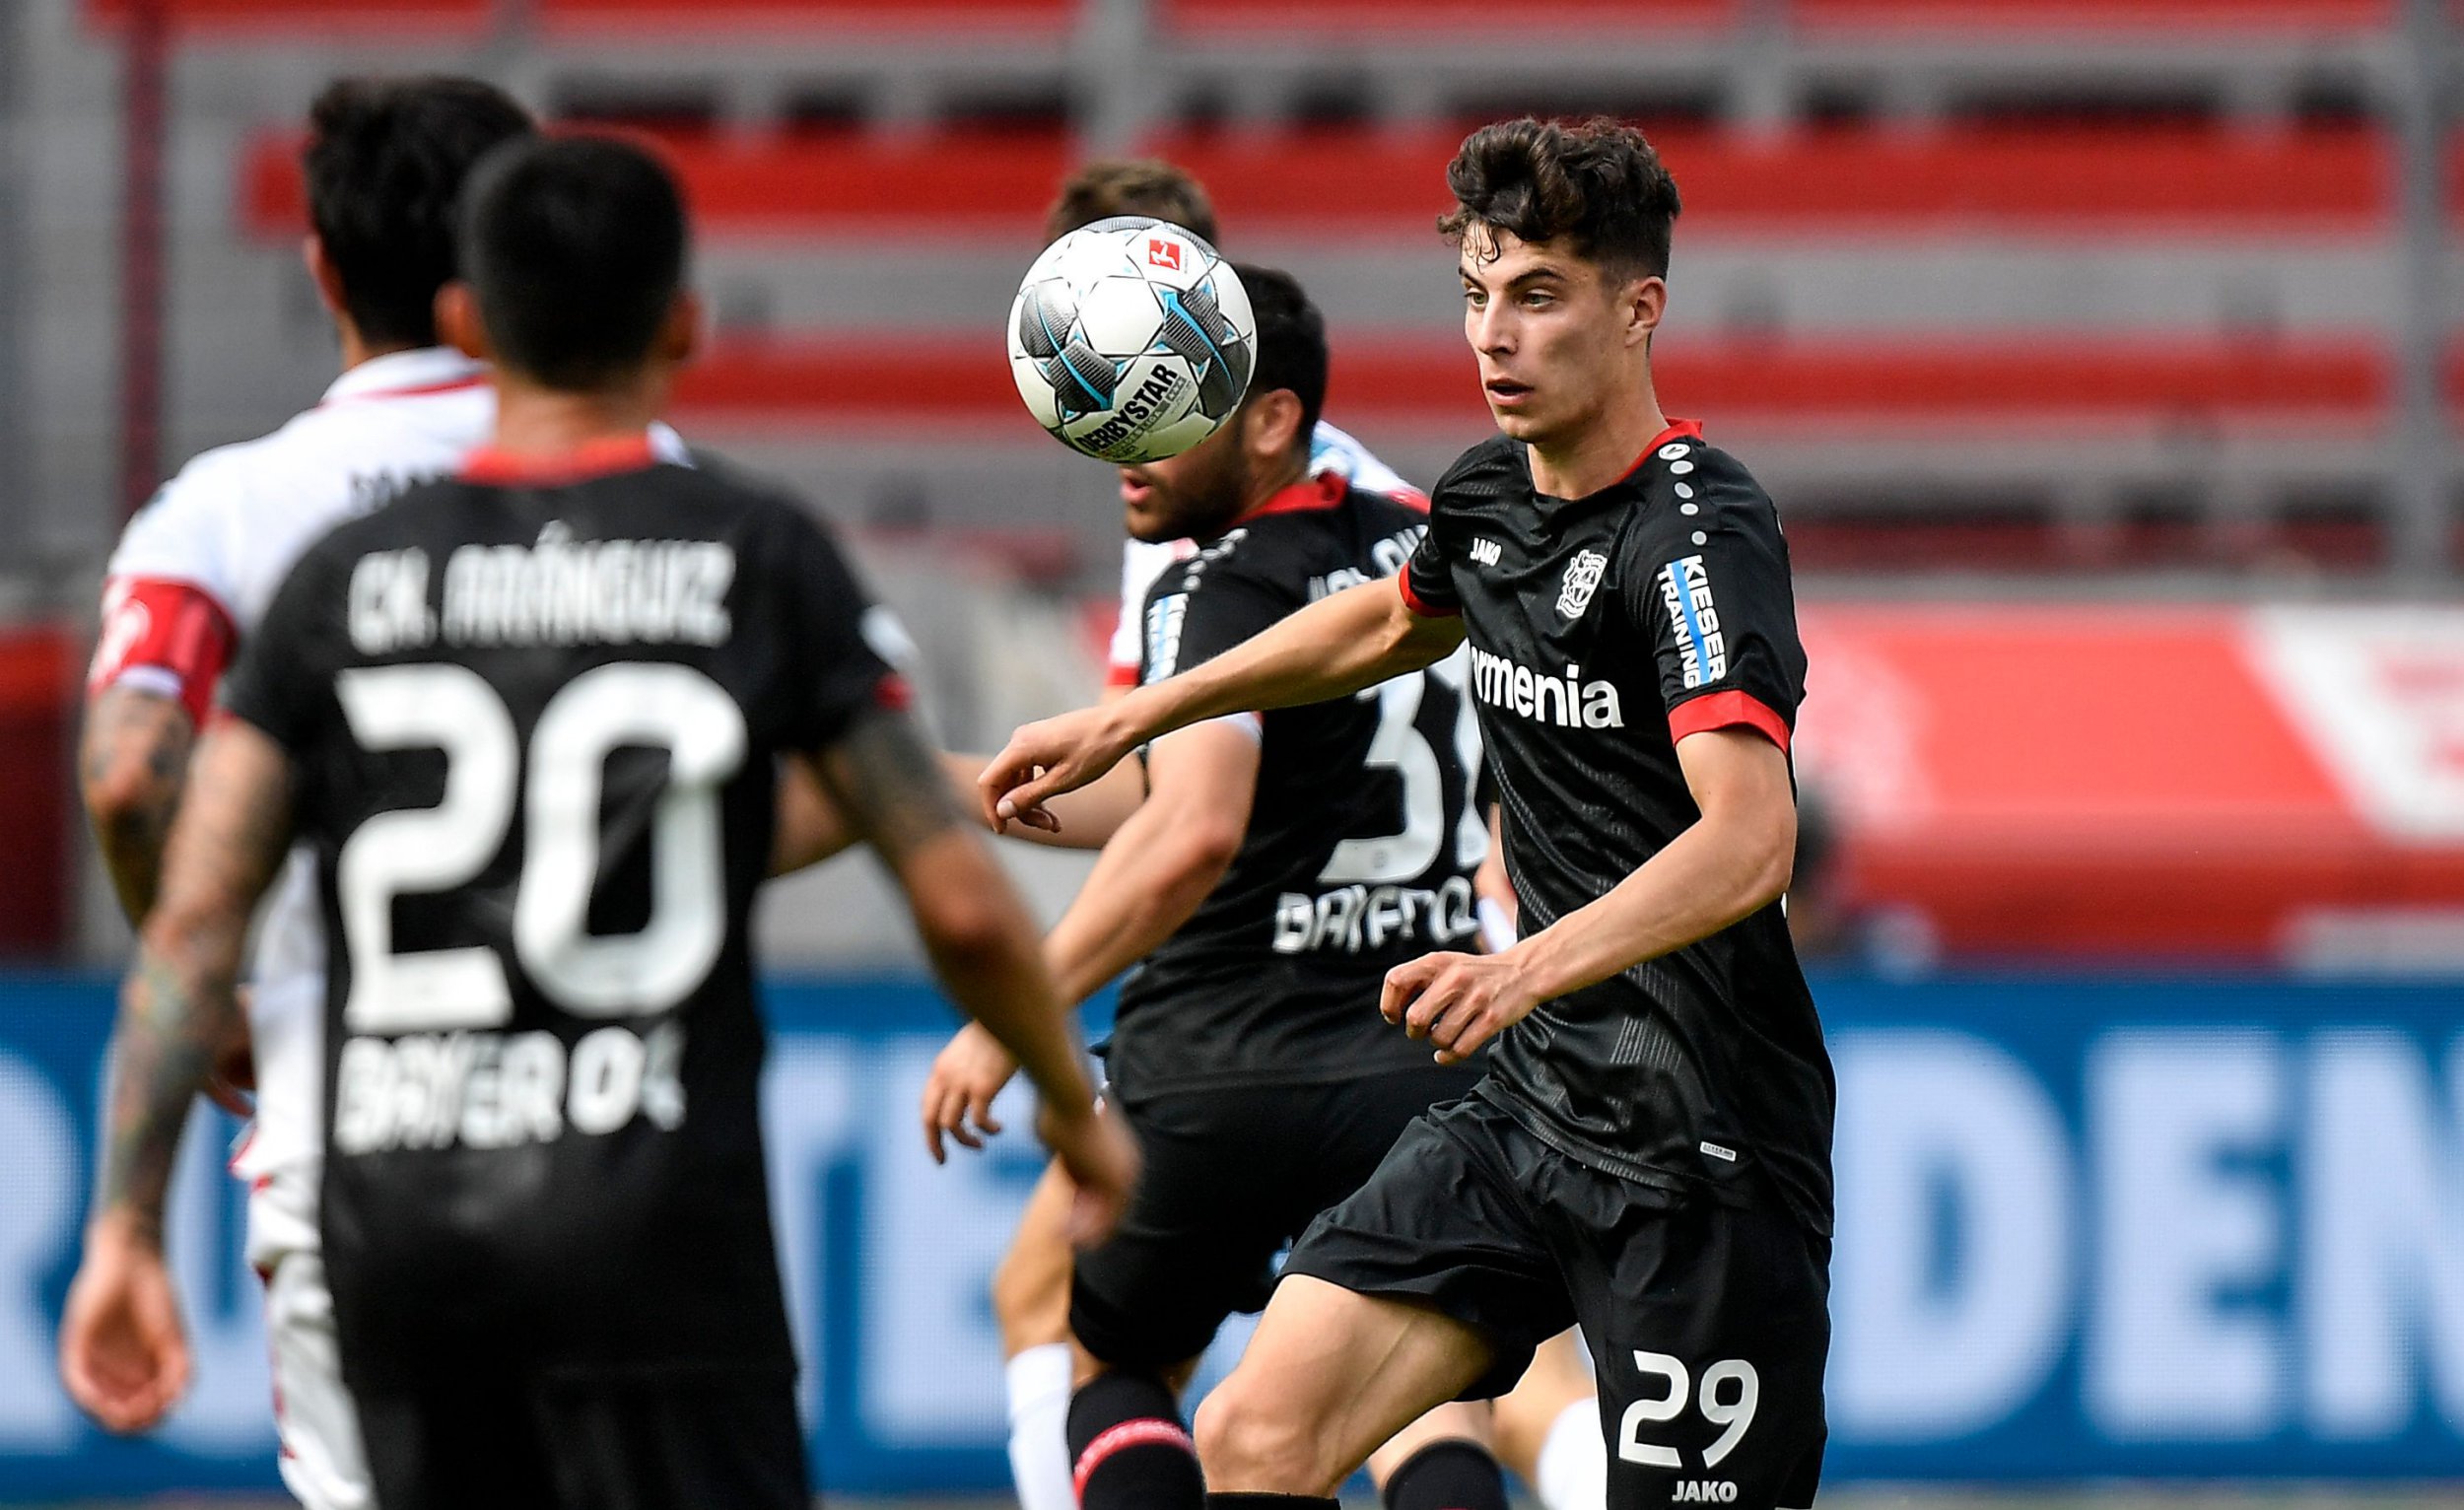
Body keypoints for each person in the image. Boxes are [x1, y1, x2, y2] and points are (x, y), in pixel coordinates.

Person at [58, 133, 1135, 1510]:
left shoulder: (342, 582)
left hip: (396, 1213)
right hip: (653, 1217)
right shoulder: (752, 554)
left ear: (473, 319)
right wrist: (1069, 1104)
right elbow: (965, 901)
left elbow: (198, 916)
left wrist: (126, 1225)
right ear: (684, 323)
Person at [981, 116, 1833, 1510]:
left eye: (1539, 296)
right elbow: (1385, 621)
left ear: (1639, 311)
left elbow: (1750, 840)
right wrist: (1139, 711)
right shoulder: (1488, 495)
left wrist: (1518, 968)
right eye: (1477, 294)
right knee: (1259, 1434)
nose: (1494, 335)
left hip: (1699, 1141)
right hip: (1524, 1111)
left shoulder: (1695, 531)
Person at [912, 156, 1607, 1510]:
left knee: (1081, 1333)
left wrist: (1019, 1016)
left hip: (1231, 1035)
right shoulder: (1416, 526)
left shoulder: (1206, 546)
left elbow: (1189, 826)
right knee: (1434, 1397)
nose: (1099, 403)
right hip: (1423, 1012)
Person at [72, 76, 541, 1510]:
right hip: (616, 1140)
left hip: (348, 1131)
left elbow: (126, 771)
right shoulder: (647, 483)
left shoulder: (222, 513)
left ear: (324, 265)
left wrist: (204, 988)